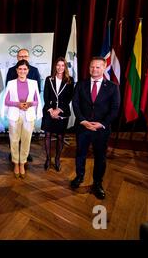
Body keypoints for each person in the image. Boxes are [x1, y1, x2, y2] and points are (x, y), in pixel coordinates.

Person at [71, 57, 120, 200]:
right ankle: (79, 177)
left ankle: (97, 184)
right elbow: (75, 104)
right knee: (80, 154)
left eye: (98, 67)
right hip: (83, 127)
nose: (94, 69)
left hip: (101, 129)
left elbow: (115, 109)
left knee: (100, 157)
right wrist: (83, 120)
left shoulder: (112, 87)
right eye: (92, 67)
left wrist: (102, 123)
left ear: (104, 68)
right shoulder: (81, 84)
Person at [4, 60, 42, 178]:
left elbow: (37, 100)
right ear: (16, 70)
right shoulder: (11, 83)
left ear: (28, 71)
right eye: (20, 69)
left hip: (28, 115)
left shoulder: (33, 83)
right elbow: (6, 100)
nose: (22, 71)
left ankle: (22, 163)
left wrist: (30, 103)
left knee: (26, 140)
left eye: (25, 69)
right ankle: (16, 163)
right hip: (14, 115)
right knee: (14, 140)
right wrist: (18, 104)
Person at [41, 57, 74, 171]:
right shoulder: (49, 79)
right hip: (49, 112)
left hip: (62, 112)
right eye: (58, 65)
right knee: (47, 135)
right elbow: (46, 95)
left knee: (60, 137)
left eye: (62, 65)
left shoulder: (70, 80)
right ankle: (48, 159)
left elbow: (69, 98)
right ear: (55, 66)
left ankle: (57, 159)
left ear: (65, 67)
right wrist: (51, 110)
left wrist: (58, 110)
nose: (60, 67)